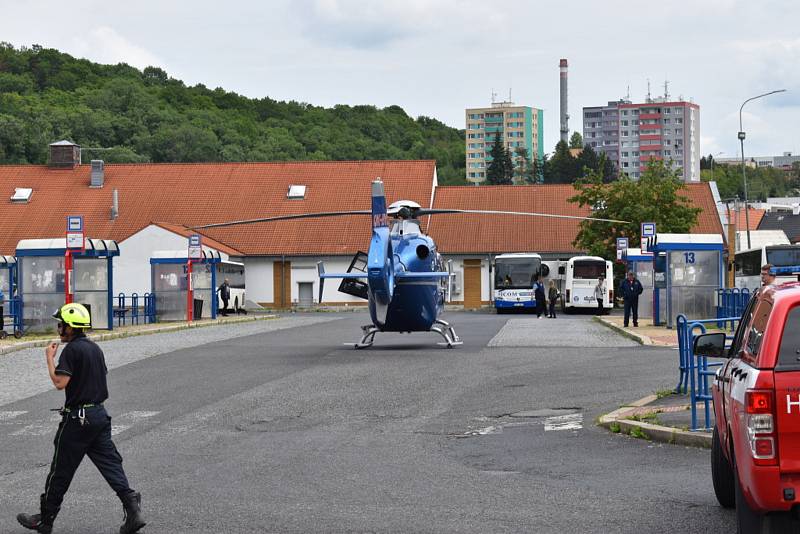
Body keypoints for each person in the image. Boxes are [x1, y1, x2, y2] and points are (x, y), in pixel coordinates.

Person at [17, 303, 145, 534]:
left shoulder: (72, 351)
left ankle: (45, 520)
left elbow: (59, 383)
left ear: (71, 327)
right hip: (98, 415)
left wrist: (49, 358)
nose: (59, 328)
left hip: (78, 419)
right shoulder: (95, 349)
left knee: (60, 471)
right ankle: (132, 507)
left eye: (61, 324)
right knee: (110, 464)